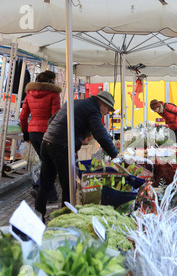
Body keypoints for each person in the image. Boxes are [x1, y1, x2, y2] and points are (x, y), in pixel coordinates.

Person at [35, 91, 119, 222]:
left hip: (46, 142)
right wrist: (115, 154)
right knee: (69, 186)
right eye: (108, 108)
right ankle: (64, 220)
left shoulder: (75, 102)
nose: (108, 112)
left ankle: (38, 216)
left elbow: (52, 120)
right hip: (62, 146)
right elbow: (100, 134)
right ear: (101, 102)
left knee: (46, 182)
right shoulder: (93, 109)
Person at [19, 70, 61, 202]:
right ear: (51, 80)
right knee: (50, 164)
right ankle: (39, 188)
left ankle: (50, 195)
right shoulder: (54, 94)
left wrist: (25, 134)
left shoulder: (29, 94)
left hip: (33, 133)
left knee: (47, 163)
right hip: (47, 133)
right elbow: (55, 117)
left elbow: (23, 116)